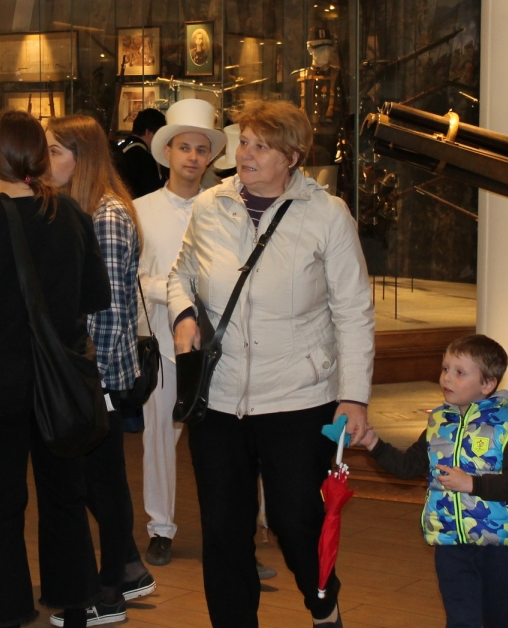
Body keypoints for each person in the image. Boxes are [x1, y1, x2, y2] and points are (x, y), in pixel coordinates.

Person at [166, 99, 375, 628]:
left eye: (262, 146)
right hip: (219, 396)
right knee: (223, 529)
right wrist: (184, 314)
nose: (246, 154)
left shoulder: (327, 214)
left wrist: (354, 397)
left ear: (292, 157)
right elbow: (180, 273)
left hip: (298, 397)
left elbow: (353, 310)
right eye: (244, 143)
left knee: (296, 520)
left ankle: (323, 603)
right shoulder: (210, 205)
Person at [0, 109, 111, 628]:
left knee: (0, 504)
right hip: (59, 380)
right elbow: (95, 295)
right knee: (64, 494)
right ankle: (74, 601)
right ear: (38, 157)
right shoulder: (72, 215)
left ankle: (6, 610)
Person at [46, 114, 156, 622]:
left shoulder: (106, 216)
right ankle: (126, 571)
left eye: (55, 151)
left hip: (100, 375)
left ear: (81, 156)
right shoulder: (79, 208)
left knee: (103, 484)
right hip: (91, 374)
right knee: (98, 481)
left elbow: (107, 312)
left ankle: (110, 589)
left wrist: (96, 382)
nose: (46, 161)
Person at [361, 335, 508, 628]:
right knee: (461, 617)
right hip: (449, 539)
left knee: (497, 614)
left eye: (460, 372)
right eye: (445, 368)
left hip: (497, 542)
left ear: (487, 384)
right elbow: (408, 467)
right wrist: (372, 442)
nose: (447, 378)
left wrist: (472, 484)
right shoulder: (438, 422)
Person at [132, 98, 225, 567]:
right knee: (159, 438)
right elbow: (128, 278)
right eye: (184, 147)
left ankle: (230, 534)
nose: (192, 157)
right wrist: (170, 291)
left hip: (217, 344)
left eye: (201, 149)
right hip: (162, 342)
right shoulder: (140, 210)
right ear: (167, 151)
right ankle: (160, 527)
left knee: (223, 442)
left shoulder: (224, 207)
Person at [114, 107, 166, 199]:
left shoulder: (121, 147)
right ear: (148, 132)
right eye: (159, 134)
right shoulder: (144, 158)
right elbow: (153, 194)